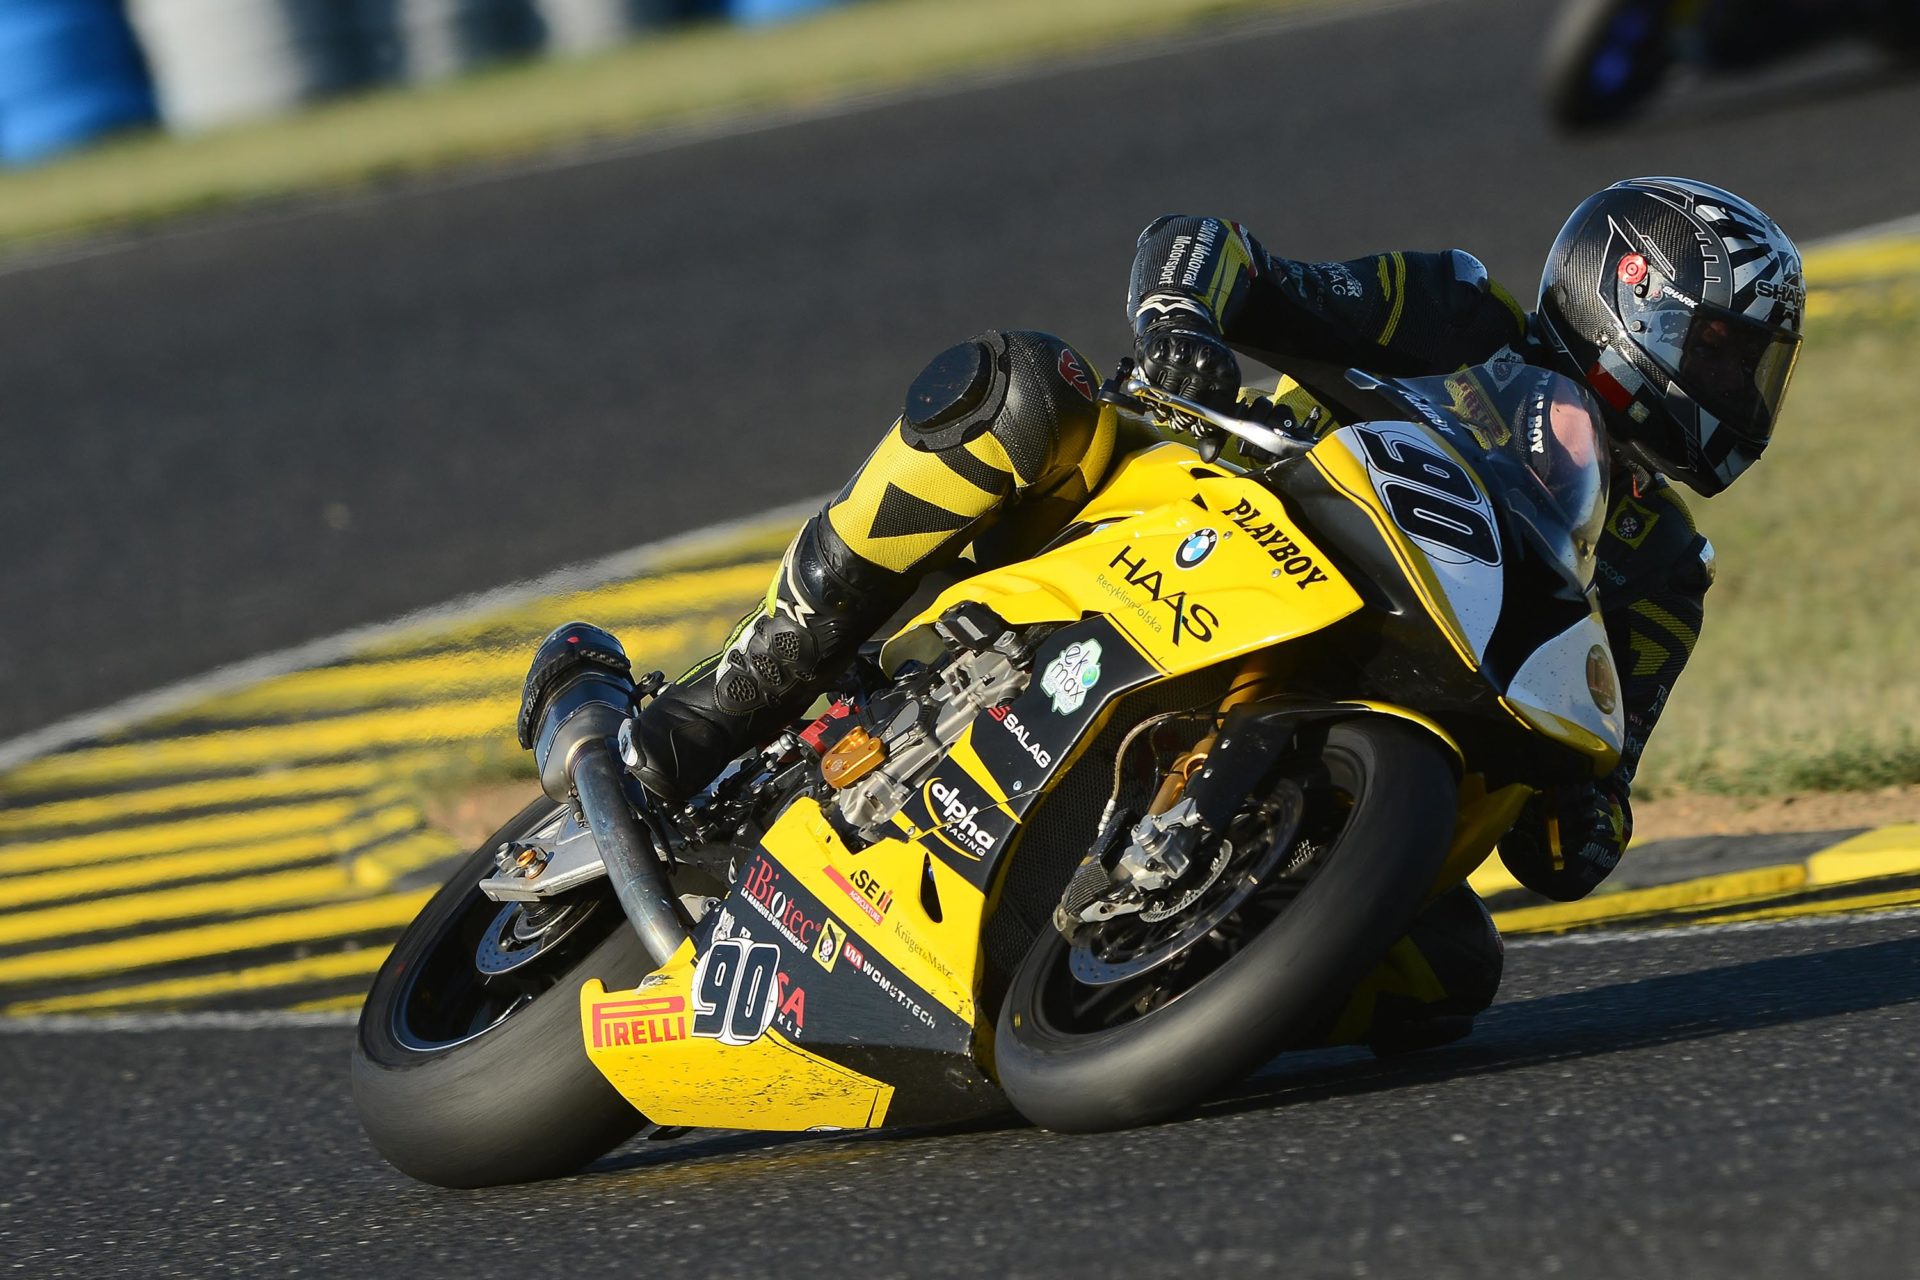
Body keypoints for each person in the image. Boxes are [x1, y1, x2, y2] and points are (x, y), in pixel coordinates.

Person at [555, 176, 1804, 1051]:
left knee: (1446, 973)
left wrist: (1587, 811)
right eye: (1725, 351)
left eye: (1756, 366)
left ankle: (1143, 990)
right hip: (1223, 530)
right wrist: (1181, 322)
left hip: (1403, 700)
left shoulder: (1663, 567)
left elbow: (1603, 773)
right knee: (1024, 389)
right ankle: (738, 692)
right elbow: (1220, 252)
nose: (1743, 389)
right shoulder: (1454, 311)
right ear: (1630, 298)